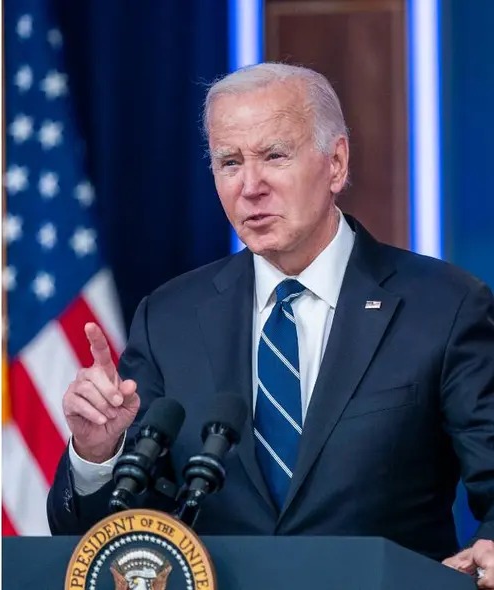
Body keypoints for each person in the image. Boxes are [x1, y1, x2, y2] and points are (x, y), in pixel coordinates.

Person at [46, 62, 494, 584]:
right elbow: (105, 543)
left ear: (336, 163)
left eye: (274, 156)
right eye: (229, 162)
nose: (250, 185)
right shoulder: (169, 318)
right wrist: (98, 454)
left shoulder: (442, 305)